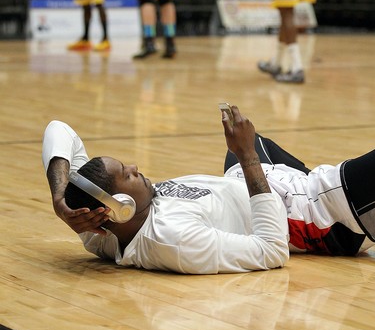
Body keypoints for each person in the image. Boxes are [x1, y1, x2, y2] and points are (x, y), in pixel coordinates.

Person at [42, 104, 375, 275]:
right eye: (127, 176)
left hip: (248, 181)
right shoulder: (173, 240)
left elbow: (60, 130)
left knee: (246, 139)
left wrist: (59, 199)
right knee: (245, 147)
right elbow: (272, 251)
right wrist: (247, 157)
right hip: (309, 212)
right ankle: (356, 222)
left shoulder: (99, 230)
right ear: (118, 208)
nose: (136, 168)